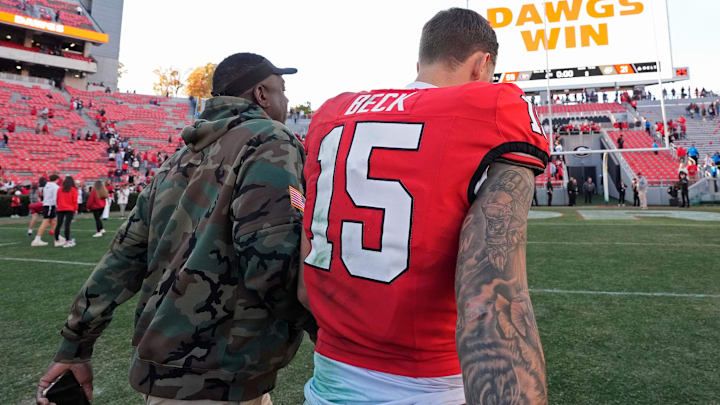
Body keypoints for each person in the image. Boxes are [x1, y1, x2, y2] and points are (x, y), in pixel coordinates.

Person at [36, 52, 316, 405]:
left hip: (170, 371)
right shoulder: (271, 138)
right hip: (220, 372)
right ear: (261, 94)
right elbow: (272, 260)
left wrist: (74, 345)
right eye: (282, 90)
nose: (286, 101)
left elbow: (122, 257)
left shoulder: (175, 160)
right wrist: (326, 329)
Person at [301, 9, 548, 405]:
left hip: (330, 377)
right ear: (483, 64)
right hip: (431, 385)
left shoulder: (332, 114)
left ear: (420, 63)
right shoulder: (494, 108)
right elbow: (493, 301)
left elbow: (305, 278)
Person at [31, 174, 60, 247]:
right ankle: (37, 240)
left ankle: (58, 236)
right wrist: (57, 206)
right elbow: (55, 198)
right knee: (45, 222)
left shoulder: (46, 185)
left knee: (54, 221)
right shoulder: (55, 187)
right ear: (57, 179)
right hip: (50, 206)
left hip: (47, 205)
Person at [54, 176, 78, 248]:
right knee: (67, 225)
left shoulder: (59, 189)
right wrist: (76, 209)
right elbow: (75, 201)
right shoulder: (73, 190)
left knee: (59, 224)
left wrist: (59, 206)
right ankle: (67, 240)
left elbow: (57, 200)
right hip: (69, 209)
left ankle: (57, 240)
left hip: (60, 208)